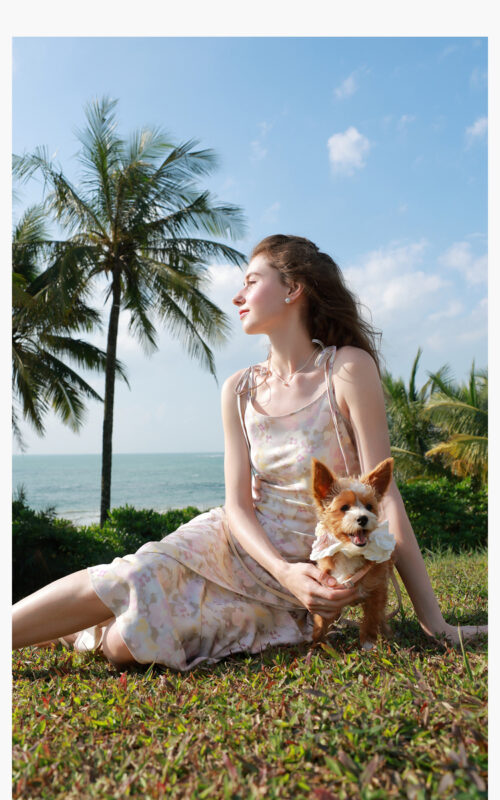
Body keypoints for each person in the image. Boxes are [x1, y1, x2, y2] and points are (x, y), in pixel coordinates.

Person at [12, 234, 487, 668]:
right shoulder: (238, 389)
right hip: (232, 546)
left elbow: (387, 500)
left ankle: (76, 628)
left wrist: (435, 623)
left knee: (123, 645)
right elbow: (237, 505)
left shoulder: (345, 369)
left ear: (293, 288)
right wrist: (284, 570)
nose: (237, 296)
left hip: (299, 586)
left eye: (251, 281)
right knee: (131, 573)